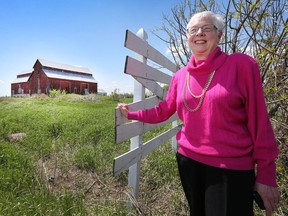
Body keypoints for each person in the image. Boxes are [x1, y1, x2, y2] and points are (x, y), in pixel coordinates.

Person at [117, 11, 280, 216]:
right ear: (187, 38)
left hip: (230, 168)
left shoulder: (242, 65)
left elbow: (260, 121)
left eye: (207, 28)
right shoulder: (180, 76)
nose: (199, 33)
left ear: (219, 34)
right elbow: (163, 111)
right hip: (189, 162)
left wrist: (266, 172)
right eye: (193, 30)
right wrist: (132, 114)